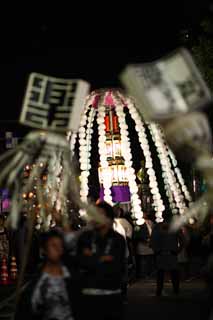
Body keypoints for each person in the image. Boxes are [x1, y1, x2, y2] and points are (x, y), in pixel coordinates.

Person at [76, 201, 126, 320]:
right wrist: (102, 258)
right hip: (88, 296)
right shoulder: (85, 237)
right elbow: (80, 262)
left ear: (109, 218)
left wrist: (92, 258)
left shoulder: (117, 239)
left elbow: (116, 267)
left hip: (111, 296)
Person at [15, 229, 75, 320]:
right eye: (53, 245)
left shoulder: (72, 277)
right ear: (44, 250)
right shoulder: (35, 286)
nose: (58, 249)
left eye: (60, 246)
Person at [150, 219, 184, 296]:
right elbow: (183, 240)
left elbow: (152, 241)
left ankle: (160, 290)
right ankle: (175, 290)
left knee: (162, 272)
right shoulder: (175, 226)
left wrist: (156, 250)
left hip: (163, 253)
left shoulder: (157, 227)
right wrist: (178, 250)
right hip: (170, 253)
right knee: (172, 272)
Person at [135, 213, 154, 279]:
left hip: (150, 244)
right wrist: (144, 240)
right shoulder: (137, 223)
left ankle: (149, 274)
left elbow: (153, 231)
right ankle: (143, 274)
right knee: (143, 261)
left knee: (149, 260)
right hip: (142, 245)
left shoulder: (150, 222)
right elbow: (136, 234)